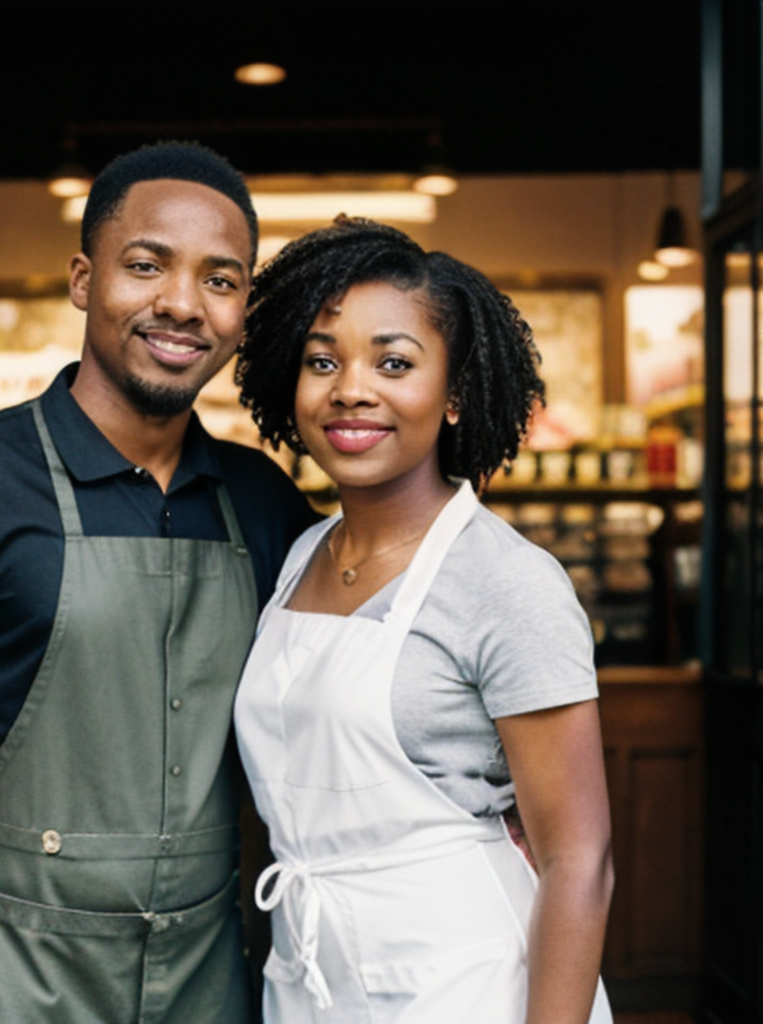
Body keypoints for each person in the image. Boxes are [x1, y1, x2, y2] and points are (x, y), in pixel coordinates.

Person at [0, 142, 315, 1024]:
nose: (182, 304)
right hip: (0, 975)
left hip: (205, 979)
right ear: (83, 279)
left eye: (221, 280)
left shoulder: (262, 503)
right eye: (146, 266)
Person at [233, 216, 614, 1024]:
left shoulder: (506, 583)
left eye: (394, 362)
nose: (350, 389)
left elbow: (580, 860)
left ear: (454, 397)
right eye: (322, 361)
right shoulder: (298, 555)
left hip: (466, 985)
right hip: (308, 979)